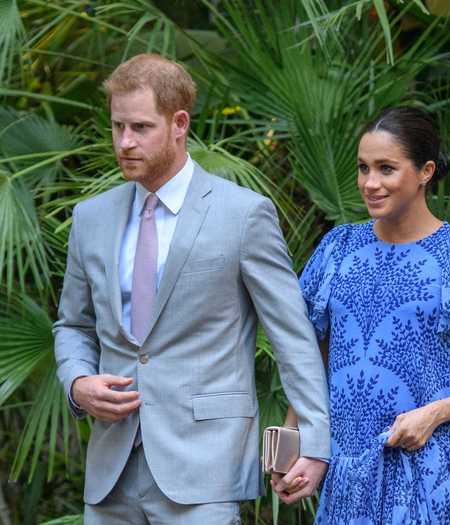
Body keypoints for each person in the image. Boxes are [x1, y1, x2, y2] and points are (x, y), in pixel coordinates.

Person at [53, 53, 330, 524]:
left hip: (205, 470)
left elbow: (292, 338)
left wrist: (315, 443)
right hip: (110, 471)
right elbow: (73, 325)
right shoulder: (90, 218)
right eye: (117, 126)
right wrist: (78, 382)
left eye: (140, 127)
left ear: (179, 123)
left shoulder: (244, 215)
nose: (124, 142)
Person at [278, 106, 450, 523]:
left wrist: (435, 412)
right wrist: (286, 450)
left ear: (425, 171)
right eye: (363, 168)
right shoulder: (337, 250)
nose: (370, 183)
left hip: (438, 475)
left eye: (386, 169)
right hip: (351, 473)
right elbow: (307, 358)